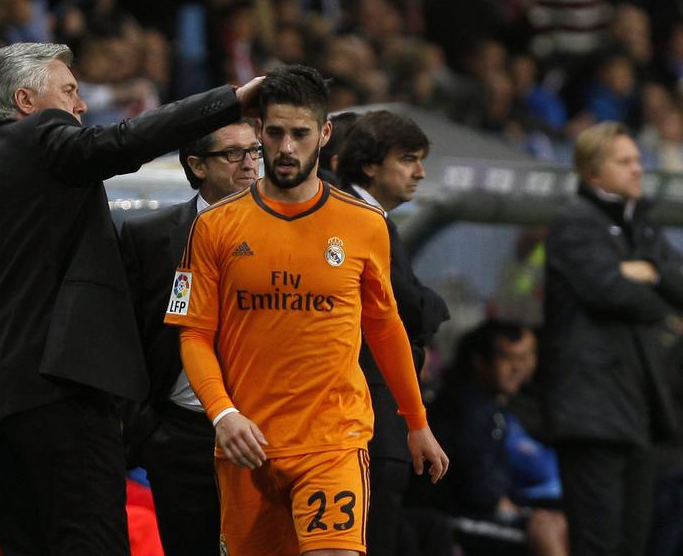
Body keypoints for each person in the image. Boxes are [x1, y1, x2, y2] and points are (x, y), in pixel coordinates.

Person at [0, 41, 262, 555]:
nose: (81, 105)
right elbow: (123, 141)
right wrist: (230, 102)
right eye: (69, 90)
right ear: (27, 102)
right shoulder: (43, 139)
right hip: (63, 400)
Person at [163, 64, 448, 556]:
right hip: (246, 445)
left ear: (325, 133)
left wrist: (416, 422)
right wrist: (223, 413)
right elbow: (193, 334)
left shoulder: (364, 225)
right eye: (275, 133)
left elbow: (384, 329)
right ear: (259, 133)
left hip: (332, 441)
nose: (287, 147)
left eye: (300, 133)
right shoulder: (214, 227)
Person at [118, 118, 260, 555]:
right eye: (233, 153)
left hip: (269, 431)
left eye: (255, 151)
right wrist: (148, 429)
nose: (250, 164)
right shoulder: (149, 236)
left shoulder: (291, 231)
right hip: (181, 437)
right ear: (198, 165)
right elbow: (123, 335)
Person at [542, 121, 683, 556]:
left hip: (636, 410)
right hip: (590, 411)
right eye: (625, 162)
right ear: (593, 173)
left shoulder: (638, 223)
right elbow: (608, 289)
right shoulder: (575, 221)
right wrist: (657, 299)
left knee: (633, 541)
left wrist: (649, 271)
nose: (638, 169)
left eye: (638, 160)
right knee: (599, 542)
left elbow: (678, 281)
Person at [334, 110, 450, 555]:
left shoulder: (377, 219)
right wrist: (426, 311)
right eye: (407, 159)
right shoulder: (362, 219)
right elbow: (411, 306)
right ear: (369, 165)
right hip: (369, 420)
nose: (420, 172)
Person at [429, 321, 568, 556]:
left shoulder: (499, 405)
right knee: (545, 529)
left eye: (525, 358)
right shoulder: (467, 409)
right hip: (454, 516)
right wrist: (503, 504)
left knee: (556, 521)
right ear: (480, 362)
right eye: (509, 359)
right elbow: (475, 485)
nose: (520, 368)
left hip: (490, 507)